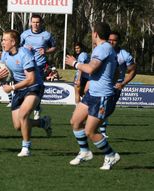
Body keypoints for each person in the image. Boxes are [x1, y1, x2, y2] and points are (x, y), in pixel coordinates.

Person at [65, 22, 120, 170]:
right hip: (92, 94)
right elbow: (116, 71)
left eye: (92, 33)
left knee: (90, 131)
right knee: (75, 121)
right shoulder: (108, 49)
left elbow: (90, 68)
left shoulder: (102, 49)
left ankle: (111, 155)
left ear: (95, 34)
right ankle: (85, 152)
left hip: (102, 97)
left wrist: (74, 63)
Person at [0, 30, 52, 157]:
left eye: (5, 40)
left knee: (23, 115)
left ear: (13, 42)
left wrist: (12, 88)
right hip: (19, 90)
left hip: (34, 87)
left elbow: (31, 79)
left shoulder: (24, 54)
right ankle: (42, 123)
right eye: (2, 40)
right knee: (18, 126)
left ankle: (26, 148)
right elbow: (1, 72)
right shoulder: (4, 55)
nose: (2, 42)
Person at [99, 31, 137, 138]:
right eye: (109, 39)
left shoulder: (125, 55)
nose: (111, 42)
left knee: (109, 109)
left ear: (118, 41)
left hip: (116, 86)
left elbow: (133, 70)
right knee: (101, 107)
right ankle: (101, 131)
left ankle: (99, 128)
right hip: (102, 84)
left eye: (114, 40)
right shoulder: (101, 50)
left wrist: (123, 83)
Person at [20, 14, 56, 120]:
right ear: (30, 23)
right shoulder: (25, 34)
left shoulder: (46, 35)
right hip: (27, 65)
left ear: (41, 23)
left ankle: (36, 108)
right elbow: (18, 47)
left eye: (37, 22)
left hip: (39, 65)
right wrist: (25, 48)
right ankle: (33, 107)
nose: (35, 24)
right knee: (28, 88)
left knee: (37, 87)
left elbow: (54, 47)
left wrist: (46, 51)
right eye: (34, 22)